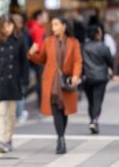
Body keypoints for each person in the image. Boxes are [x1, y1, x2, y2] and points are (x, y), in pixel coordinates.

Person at [28, 16, 82, 154]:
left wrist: (76, 76)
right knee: (56, 110)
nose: (53, 28)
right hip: (51, 82)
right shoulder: (48, 41)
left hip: (67, 81)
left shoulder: (73, 42)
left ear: (64, 26)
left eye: (56, 24)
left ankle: (61, 137)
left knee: (65, 111)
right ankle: (61, 138)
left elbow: (77, 61)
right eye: (52, 25)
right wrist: (32, 53)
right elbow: (42, 59)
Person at [0, 15, 28, 153]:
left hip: (14, 80)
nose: (8, 29)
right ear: (0, 26)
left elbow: (24, 62)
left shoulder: (20, 39)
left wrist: (24, 81)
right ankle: (1, 140)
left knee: (11, 114)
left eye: (10, 25)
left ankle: (8, 139)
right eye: (5, 26)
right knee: (0, 112)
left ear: (13, 25)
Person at [81, 25, 113, 134]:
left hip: (87, 78)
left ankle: (93, 120)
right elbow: (110, 62)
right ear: (97, 34)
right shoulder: (103, 47)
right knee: (97, 100)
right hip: (100, 78)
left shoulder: (83, 46)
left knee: (91, 101)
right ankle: (94, 121)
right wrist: (115, 72)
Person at [26, 10, 49, 108]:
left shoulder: (35, 27)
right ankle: (40, 102)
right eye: (45, 15)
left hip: (35, 59)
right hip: (38, 59)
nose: (47, 17)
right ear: (39, 16)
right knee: (40, 82)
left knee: (39, 81)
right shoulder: (36, 29)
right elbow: (39, 46)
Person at [12, 13, 31, 123]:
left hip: (14, 70)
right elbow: (25, 57)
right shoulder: (23, 36)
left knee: (17, 94)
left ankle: (16, 114)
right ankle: (19, 114)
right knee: (20, 94)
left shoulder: (22, 36)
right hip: (19, 70)